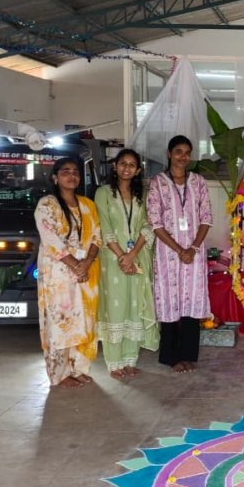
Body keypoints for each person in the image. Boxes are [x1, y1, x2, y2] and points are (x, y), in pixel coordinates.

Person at [147, 135, 213, 373]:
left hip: (194, 254)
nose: (183, 156)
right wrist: (179, 250)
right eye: (178, 151)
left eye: (187, 152)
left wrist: (193, 248)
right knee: (170, 301)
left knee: (191, 303)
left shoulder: (198, 182)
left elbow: (206, 218)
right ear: (169, 154)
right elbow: (155, 223)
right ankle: (171, 357)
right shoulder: (158, 183)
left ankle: (188, 356)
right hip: (168, 254)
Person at [35, 156, 101, 388]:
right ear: (55, 177)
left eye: (75, 171)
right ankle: (59, 374)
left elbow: (97, 237)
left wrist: (86, 264)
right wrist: (76, 265)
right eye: (65, 171)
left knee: (83, 322)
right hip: (59, 275)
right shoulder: (47, 204)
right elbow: (51, 240)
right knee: (61, 323)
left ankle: (79, 368)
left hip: (84, 273)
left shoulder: (87, 205)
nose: (71, 175)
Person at [95, 148, 159, 380]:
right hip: (112, 259)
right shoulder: (103, 193)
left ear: (138, 170)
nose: (127, 168)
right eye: (123, 163)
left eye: (132, 165)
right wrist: (122, 256)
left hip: (137, 257)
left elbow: (147, 225)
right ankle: (114, 363)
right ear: (115, 166)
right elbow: (104, 227)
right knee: (115, 306)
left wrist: (132, 255)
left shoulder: (142, 194)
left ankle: (131, 359)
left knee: (135, 304)